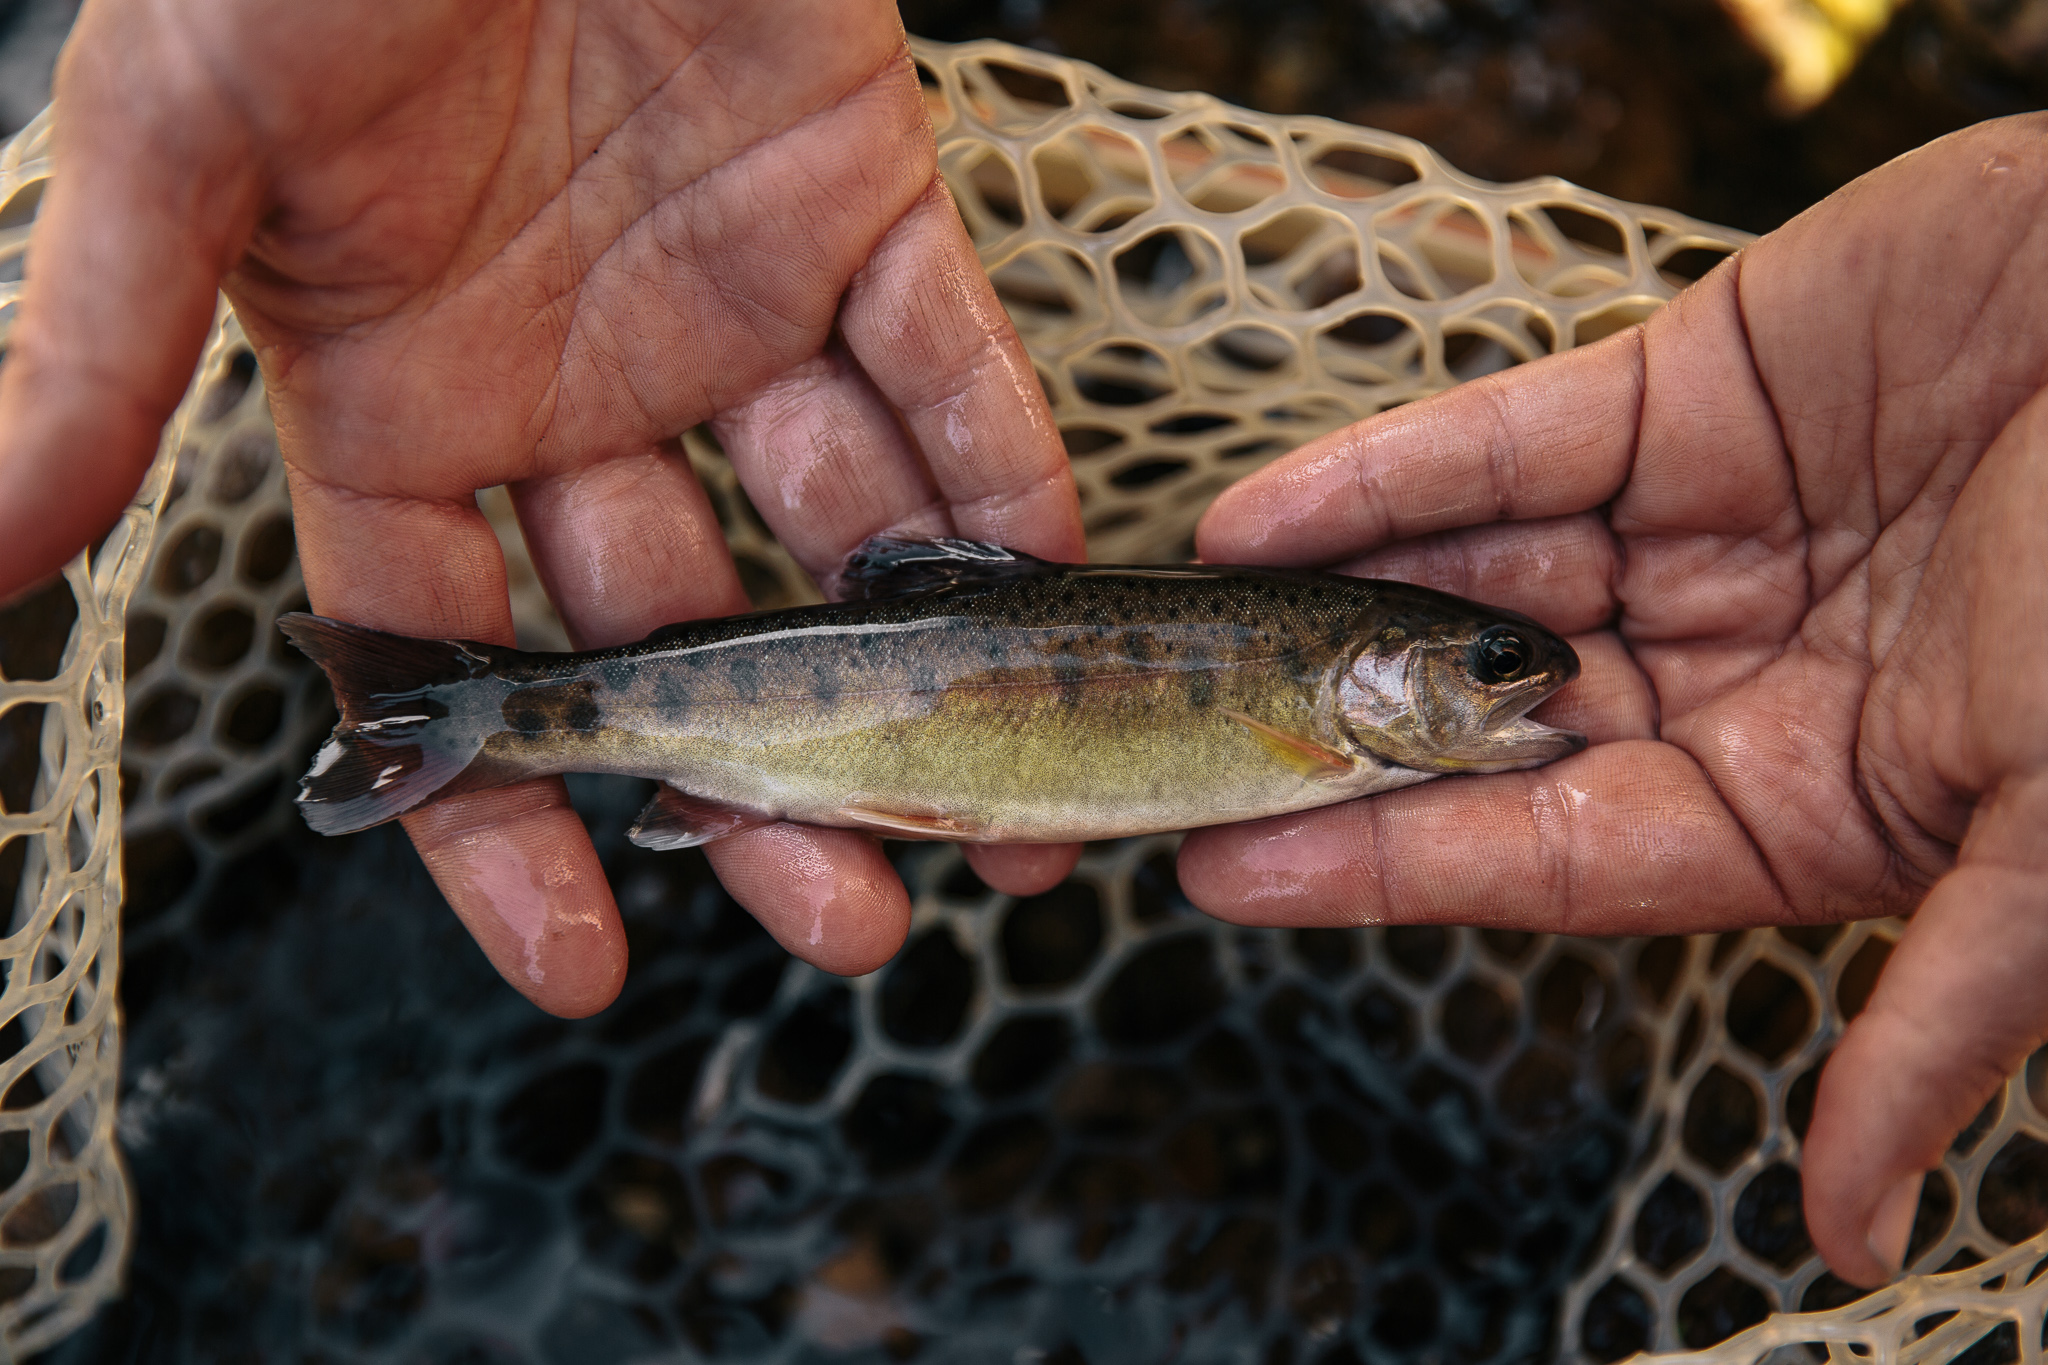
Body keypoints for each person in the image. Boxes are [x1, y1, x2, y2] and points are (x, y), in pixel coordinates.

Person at [0, 0, 2037, 1300]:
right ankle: (464, 716)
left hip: (840, 703)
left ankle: (478, 718)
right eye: (1488, 674)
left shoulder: (1320, 725)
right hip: (843, 698)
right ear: (1365, 679)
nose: (1526, 695)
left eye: (1498, 675)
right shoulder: (1314, 723)